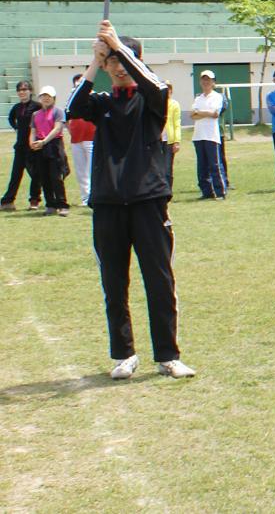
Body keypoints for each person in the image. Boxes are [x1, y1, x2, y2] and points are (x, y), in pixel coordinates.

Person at [67, 20, 194, 379]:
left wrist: (119, 47)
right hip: (107, 204)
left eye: (127, 59)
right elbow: (72, 109)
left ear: (138, 60)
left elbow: (155, 84)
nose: (119, 67)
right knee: (113, 282)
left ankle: (168, 355)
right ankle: (124, 354)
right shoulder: (101, 102)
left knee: (159, 280)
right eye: (113, 61)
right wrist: (96, 58)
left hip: (148, 202)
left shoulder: (154, 97)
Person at [29, 85, 70, 216]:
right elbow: (33, 130)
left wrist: (44, 141)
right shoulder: (36, 114)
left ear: (53, 98)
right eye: (43, 96)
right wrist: (31, 142)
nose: (46, 98)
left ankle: (62, 204)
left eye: (48, 96)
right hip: (40, 146)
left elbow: (57, 129)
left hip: (53, 145)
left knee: (55, 177)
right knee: (44, 177)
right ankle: (50, 204)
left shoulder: (58, 111)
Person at [2, 80, 40, 211]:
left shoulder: (37, 106)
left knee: (35, 174)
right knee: (15, 175)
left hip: (33, 147)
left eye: (25, 89)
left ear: (30, 91)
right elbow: (11, 118)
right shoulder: (17, 107)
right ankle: (8, 201)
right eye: (19, 90)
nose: (22, 92)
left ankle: (34, 201)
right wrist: (16, 127)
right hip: (20, 147)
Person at [190, 69, 226, 200]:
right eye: (203, 79)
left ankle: (220, 192)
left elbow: (215, 114)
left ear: (213, 83)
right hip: (198, 135)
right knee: (202, 166)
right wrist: (207, 113)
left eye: (208, 80)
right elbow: (192, 115)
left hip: (211, 135)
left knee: (215, 164)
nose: (206, 82)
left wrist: (201, 113)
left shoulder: (217, 97)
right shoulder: (198, 98)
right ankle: (206, 192)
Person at [67, 74, 96, 206]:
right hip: (76, 139)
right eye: (77, 84)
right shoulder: (72, 99)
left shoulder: (94, 97)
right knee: (81, 171)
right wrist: (71, 130)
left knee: (92, 169)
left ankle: (94, 195)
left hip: (91, 138)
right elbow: (66, 117)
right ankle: (85, 197)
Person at [162, 81, 181, 187]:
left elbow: (177, 123)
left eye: (168, 88)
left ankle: (168, 190)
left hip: (169, 140)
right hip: (158, 140)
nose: (167, 90)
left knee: (167, 167)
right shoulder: (157, 102)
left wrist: (176, 141)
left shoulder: (174, 104)